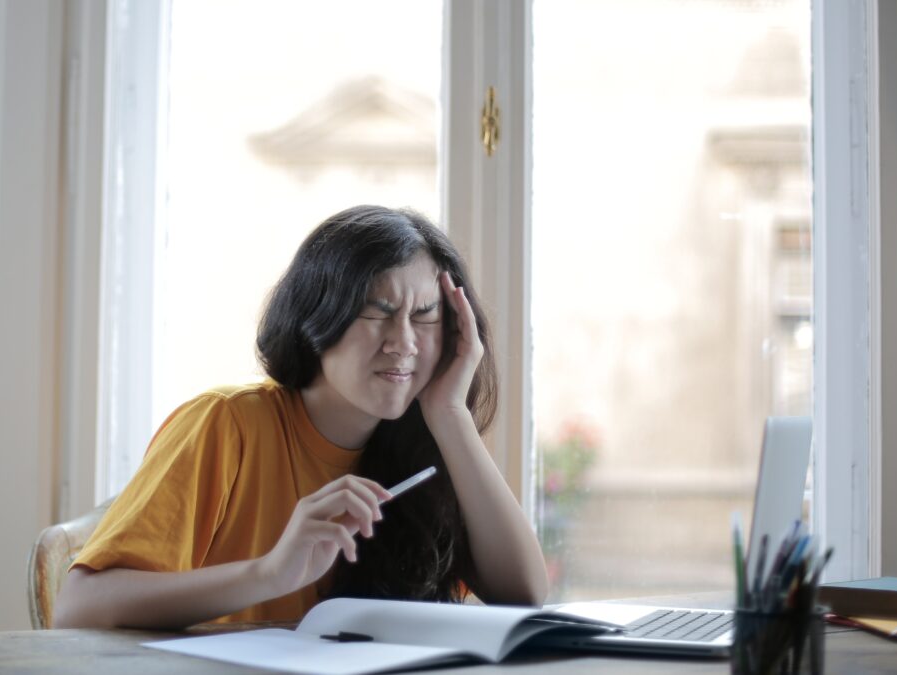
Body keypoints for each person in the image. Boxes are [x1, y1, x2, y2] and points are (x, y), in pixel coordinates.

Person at [53, 205, 548, 630]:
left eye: (425, 316)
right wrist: (269, 573)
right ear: (319, 315)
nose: (404, 342)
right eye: (376, 312)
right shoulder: (226, 424)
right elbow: (77, 609)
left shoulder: (427, 442)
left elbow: (523, 593)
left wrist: (450, 411)